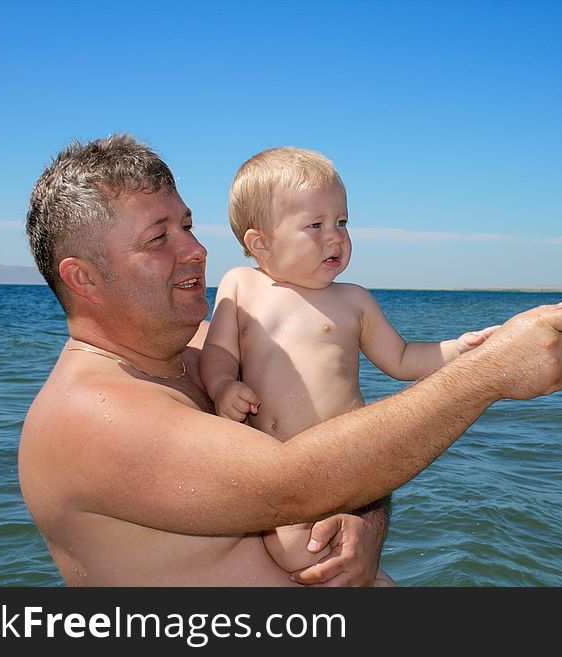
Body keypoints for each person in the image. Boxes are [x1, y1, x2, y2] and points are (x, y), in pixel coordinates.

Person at [19, 133, 562, 587]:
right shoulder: (90, 412)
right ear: (84, 278)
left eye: (188, 225)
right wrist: (488, 373)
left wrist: (364, 521)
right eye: (159, 239)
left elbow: (342, 452)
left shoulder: (208, 353)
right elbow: (295, 484)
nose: (196, 250)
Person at [199, 147, 500, 580]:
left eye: (342, 222)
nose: (336, 236)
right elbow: (219, 351)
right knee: (302, 553)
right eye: (315, 226)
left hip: (351, 464)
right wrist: (223, 385)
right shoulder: (241, 286)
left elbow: (401, 358)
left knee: (343, 557)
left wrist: (460, 348)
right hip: (282, 469)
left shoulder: (354, 300)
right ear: (260, 243)